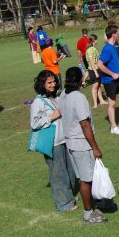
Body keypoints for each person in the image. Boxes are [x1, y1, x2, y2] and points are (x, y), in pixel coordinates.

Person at [57, 67, 107, 224]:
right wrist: (95, 147)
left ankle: (93, 205)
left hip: (70, 142)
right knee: (86, 179)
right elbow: (85, 124)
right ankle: (88, 213)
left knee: (84, 177)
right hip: (81, 144)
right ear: (80, 80)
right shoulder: (78, 98)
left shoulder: (63, 95)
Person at [30, 70, 77, 212]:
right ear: (42, 84)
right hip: (53, 143)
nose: (53, 84)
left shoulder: (56, 97)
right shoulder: (38, 102)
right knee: (58, 174)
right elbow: (34, 124)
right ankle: (64, 203)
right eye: (49, 82)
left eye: (54, 81)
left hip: (66, 140)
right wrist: (51, 116)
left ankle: (71, 195)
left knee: (71, 170)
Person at [85, 34, 107, 108]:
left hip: (97, 69)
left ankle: (101, 101)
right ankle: (95, 103)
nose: (97, 41)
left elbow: (97, 57)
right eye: (96, 39)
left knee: (98, 86)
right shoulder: (90, 49)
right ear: (94, 40)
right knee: (95, 86)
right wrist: (95, 72)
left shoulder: (93, 48)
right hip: (93, 70)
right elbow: (91, 61)